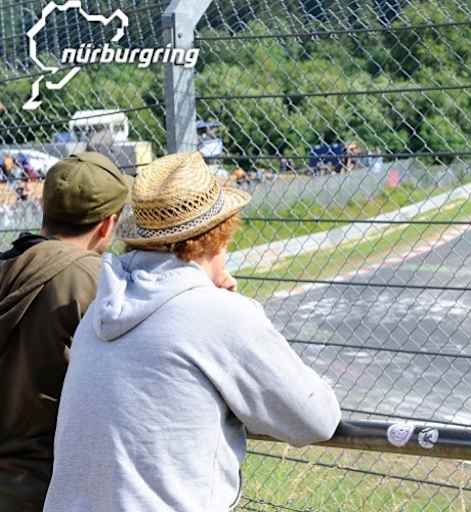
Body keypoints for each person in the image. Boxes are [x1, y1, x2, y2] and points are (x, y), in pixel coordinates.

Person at [43, 151, 341, 512]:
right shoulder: (220, 316)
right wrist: (233, 312)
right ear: (221, 233)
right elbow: (315, 419)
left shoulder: (101, 312)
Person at [0, 152, 131, 511]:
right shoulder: (97, 281)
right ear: (107, 224)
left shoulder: (8, 265)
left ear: (45, 208)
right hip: (54, 487)